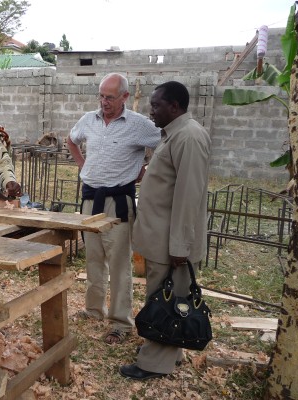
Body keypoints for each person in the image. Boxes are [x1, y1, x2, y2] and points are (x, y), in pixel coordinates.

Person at [119, 81, 211, 380]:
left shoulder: (189, 137)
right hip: (161, 238)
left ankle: (154, 363)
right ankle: (172, 349)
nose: (151, 110)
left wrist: (180, 246)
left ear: (175, 106)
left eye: (156, 105)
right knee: (168, 298)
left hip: (172, 242)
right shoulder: (175, 134)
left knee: (164, 301)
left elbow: (188, 196)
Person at [67, 73, 161, 345]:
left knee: (119, 265)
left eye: (109, 97)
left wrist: (146, 169)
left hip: (118, 202)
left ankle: (120, 322)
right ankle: (94, 310)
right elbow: (71, 140)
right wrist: (83, 165)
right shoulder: (89, 119)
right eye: (101, 96)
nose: (104, 102)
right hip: (90, 200)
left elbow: (165, 146)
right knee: (93, 259)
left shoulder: (139, 125)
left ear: (124, 97)